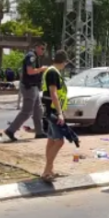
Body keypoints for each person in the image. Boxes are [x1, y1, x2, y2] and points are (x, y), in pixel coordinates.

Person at [3, 43, 48, 141]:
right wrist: (41, 69)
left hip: (34, 86)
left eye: (44, 49)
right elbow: (30, 71)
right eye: (42, 48)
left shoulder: (35, 56)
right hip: (29, 87)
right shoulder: (31, 56)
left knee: (38, 110)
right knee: (27, 112)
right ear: (36, 47)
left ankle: (39, 132)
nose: (43, 51)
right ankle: (10, 130)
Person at [40, 50, 69, 182]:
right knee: (59, 141)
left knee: (51, 140)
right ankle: (47, 171)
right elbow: (54, 94)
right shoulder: (53, 72)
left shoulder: (51, 71)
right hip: (53, 111)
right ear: (64, 62)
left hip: (50, 109)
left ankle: (49, 169)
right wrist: (59, 113)